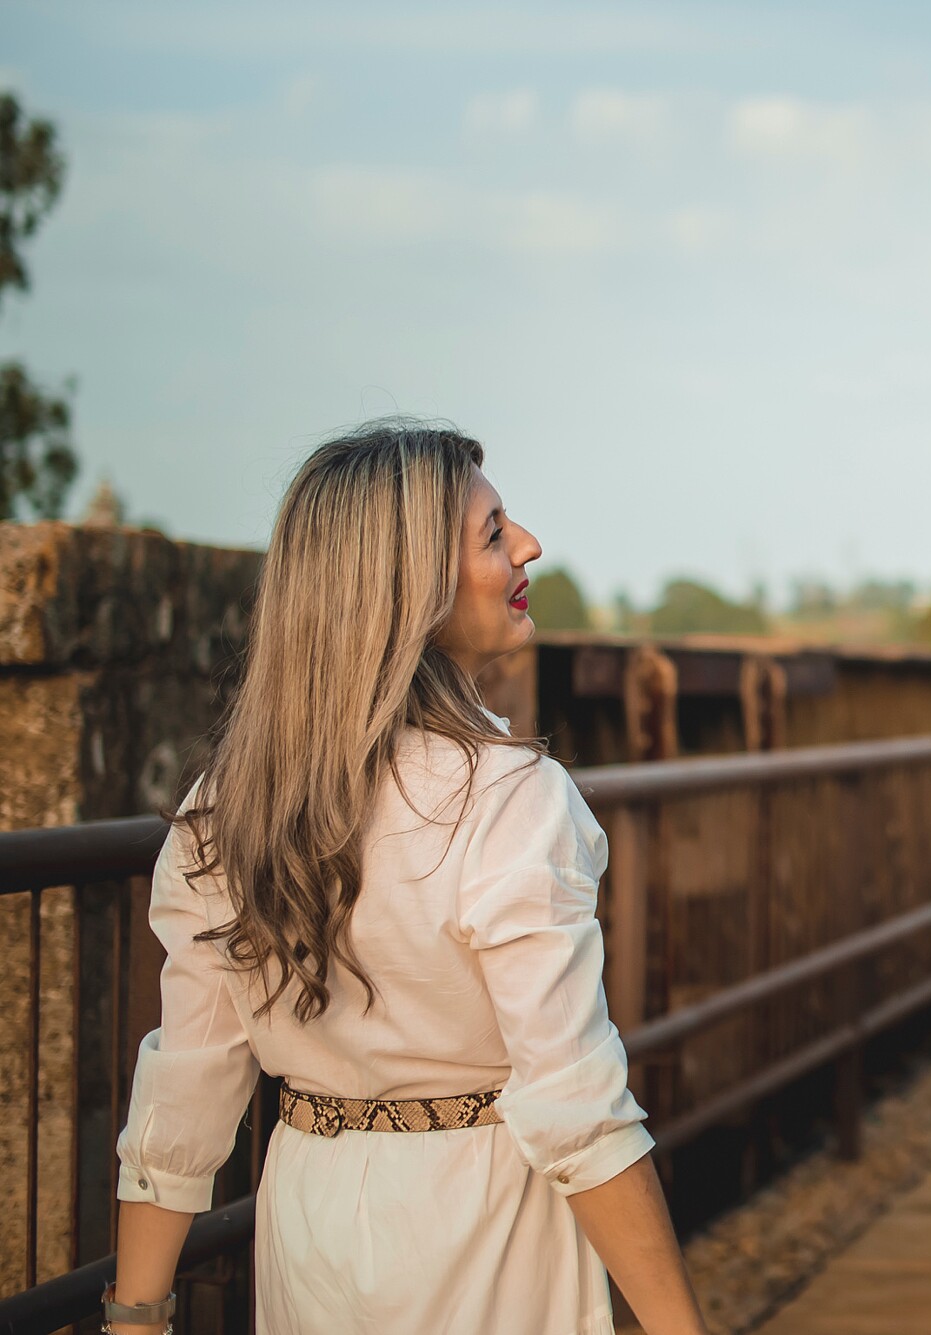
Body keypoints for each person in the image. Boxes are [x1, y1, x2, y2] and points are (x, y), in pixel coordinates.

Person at [105, 422, 707, 1335]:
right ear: (409, 586)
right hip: (485, 1221)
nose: (528, 545)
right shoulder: (512, 796)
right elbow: (576, 1106)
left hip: (306, 1209)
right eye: (494, 531)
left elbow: (187, 1081)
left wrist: (135, 1314)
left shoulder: (224, 808)